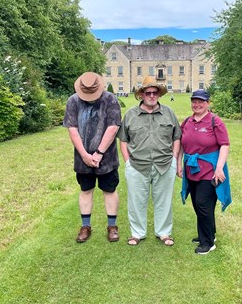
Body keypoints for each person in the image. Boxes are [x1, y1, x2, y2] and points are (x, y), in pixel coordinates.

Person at [118, 76, 181, 246]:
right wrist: (127, 161)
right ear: (142, 95)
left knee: (164, 200)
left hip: (165, 164)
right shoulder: (131, 114)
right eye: (148, 93)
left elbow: (177, 137)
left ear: (159, 94)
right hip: (137, 165)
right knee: (136, 201)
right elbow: (123, 140)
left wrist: (174, 157)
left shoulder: (168, 113)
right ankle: (137, 233)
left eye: (155, 92)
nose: (152, 96)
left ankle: (164, 233)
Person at [63, 72, 122, 243]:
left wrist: (99, 153)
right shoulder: (73, 101)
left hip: (107, 159)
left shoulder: (110, 99)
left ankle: (112, 226)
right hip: (82, 158)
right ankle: (85, 226)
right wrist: (84, 155)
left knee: (109, 190)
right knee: (86, 190)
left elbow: (113, 127)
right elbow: (72, 129)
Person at [178, 89, 231, 255]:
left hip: (210, 170)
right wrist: (179, 164)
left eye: (201, 101)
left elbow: (224, 145)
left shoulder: (215, 121)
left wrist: (219, 168)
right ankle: (209, 234)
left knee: (203, 203)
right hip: (191, 169)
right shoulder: (187, 121)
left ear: (208, 103)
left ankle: (207, 243)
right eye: (194, 101)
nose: (197, 104)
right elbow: (181, 144)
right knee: (197, 203)